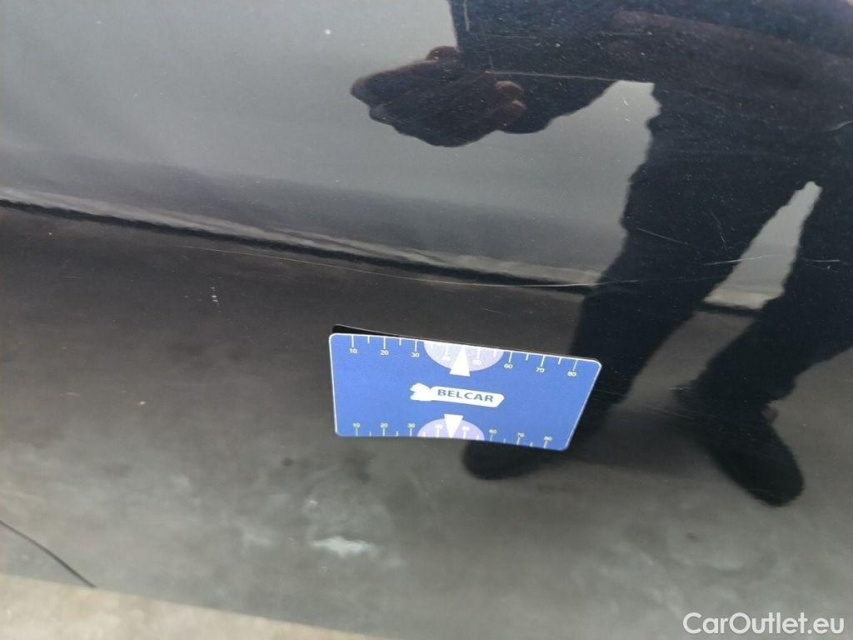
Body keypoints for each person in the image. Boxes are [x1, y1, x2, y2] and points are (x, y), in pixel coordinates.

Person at [350, 3, 853, 505]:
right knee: (657, 277)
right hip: (728, 109)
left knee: (839, 301)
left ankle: (730, 401)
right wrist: (517, 88)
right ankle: (586, 402)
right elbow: (593, 39)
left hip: (734, 92)